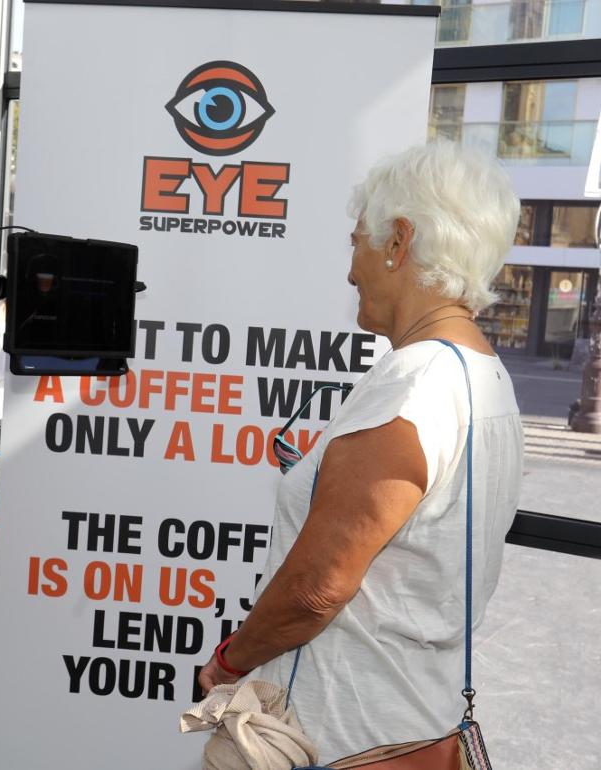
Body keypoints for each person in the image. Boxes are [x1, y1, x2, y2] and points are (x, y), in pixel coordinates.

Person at [196, 142, 524, 763]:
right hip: (419, 718)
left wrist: (230, 658)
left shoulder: (415, 385)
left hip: (333, 734)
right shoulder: (488, 378)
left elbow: (317, 588)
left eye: (357, 243)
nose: (351, 271)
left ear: (399, 242)